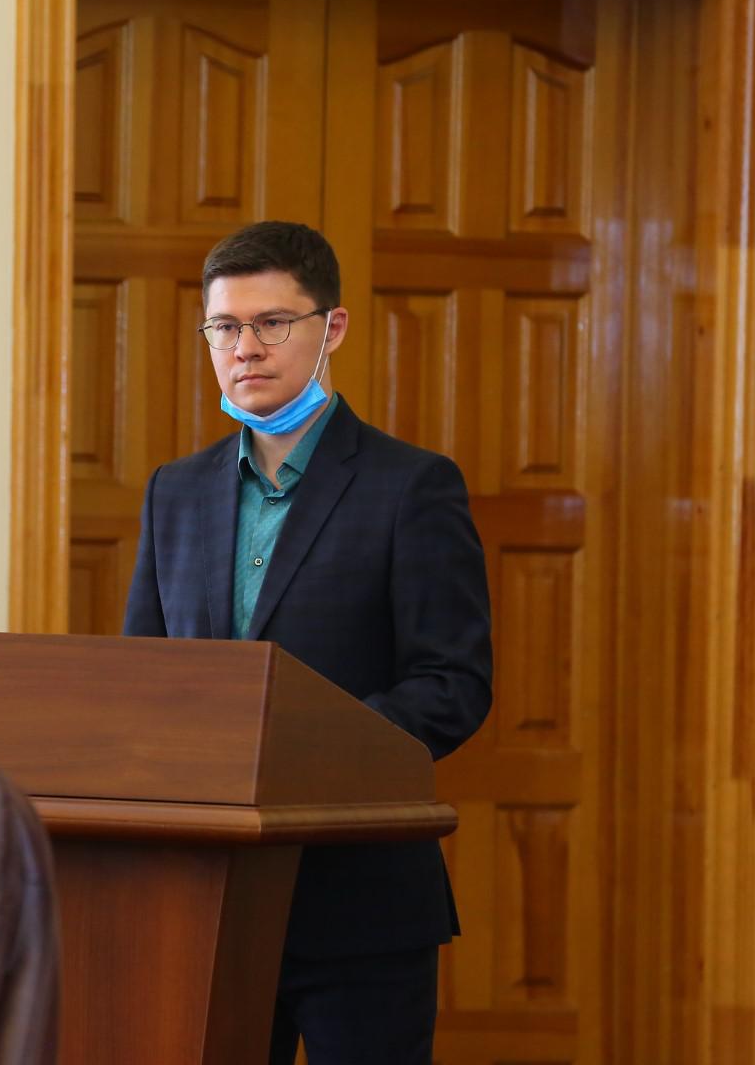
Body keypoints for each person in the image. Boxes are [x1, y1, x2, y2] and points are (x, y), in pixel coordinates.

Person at [122, 221, 493, 1064]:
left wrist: (299, 754)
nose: (245, 348)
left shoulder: (413, 486)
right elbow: (144, 682)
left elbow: (452, 684)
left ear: (333, 328)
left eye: (272, 323)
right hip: (206, 901)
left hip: (360, 902)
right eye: (225, 326)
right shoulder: (174, 492)